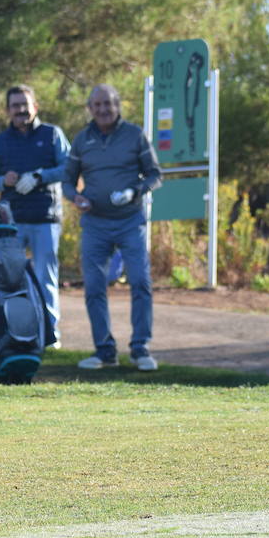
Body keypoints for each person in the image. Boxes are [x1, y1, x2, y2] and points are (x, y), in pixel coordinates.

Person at [62, 84, 162, 371]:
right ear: (90, 108)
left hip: (130, 221)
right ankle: (105, 351)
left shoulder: (134, 135)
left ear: (117, 105)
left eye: (108, 104)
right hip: (95, 224)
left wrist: (136, 191)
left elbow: (155, 174)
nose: (103, 109)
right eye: (97, 105)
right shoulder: (82, 140)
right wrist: (76, 197)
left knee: (140, 281)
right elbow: (68, 181)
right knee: (94, 287)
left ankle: (140, 349)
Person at [0, 84, 69, 342]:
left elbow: (70, 167)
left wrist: (40, 176)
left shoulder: (53, 135)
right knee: (10, 281)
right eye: (15, 106)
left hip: (46, 219)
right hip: (12, 223)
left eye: (25, 105)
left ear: (35, 107)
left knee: (46, 280)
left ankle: (50, 336)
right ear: (8, 110)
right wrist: (3, 181)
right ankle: (14, 334)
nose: (21, 110)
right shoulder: (0, 141)